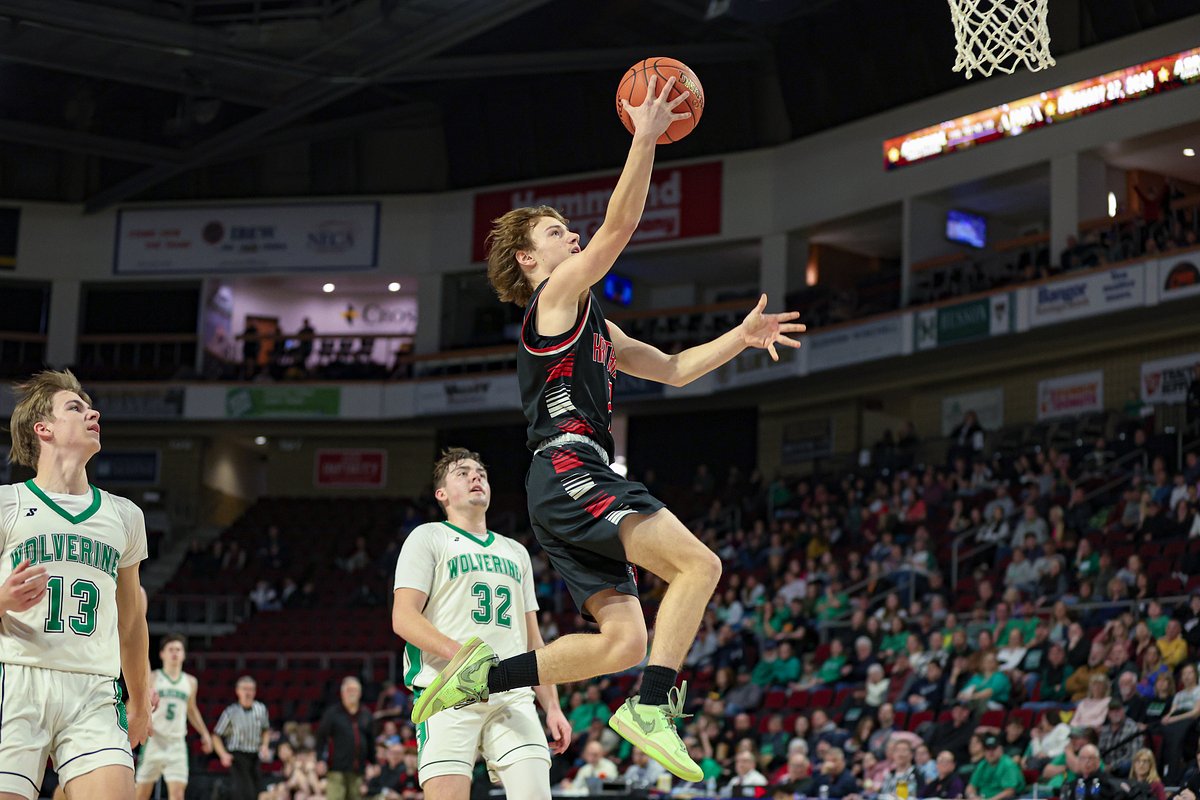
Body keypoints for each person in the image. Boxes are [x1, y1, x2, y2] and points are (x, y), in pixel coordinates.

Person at [411, 75, 803, 784]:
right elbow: (621, 228)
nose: (577, 236)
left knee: (623, 642)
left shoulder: (592, 318)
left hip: (560, 481)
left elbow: (677, 369)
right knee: (701, 566)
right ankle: (653, 709)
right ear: (532, 259)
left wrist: (739, 338)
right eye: (560, 232)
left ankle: (486, 678)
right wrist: (644, 136)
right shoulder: (555, 297)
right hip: (570, 469)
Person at [0, 369, 152, 800]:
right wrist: (2, 598)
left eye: (89, 406)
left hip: (95, 688)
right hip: (15, 680)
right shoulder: (7, 505)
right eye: (76, 407)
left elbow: (131, 621)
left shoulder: (124, 516)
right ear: (43, 428)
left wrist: (139, 700)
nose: (93, 412)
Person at [392, 448, 571, 800]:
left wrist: (551, 705)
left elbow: (532, 640)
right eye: (462, 473)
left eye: (481, 473)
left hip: (511, 695)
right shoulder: (428, 537)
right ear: (441, 494)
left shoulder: (516, 552)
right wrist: (462, 657)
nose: (476, 477)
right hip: (447, 690)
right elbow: (404, 617)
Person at [135, 634, 213, 800]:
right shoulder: (153, 677)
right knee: (141, 795)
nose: (175, 653)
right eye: (171, 649)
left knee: (177, 795)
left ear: (184, 654)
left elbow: (192, 710)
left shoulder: (191, 682)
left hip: (176, 743)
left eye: (178, 649)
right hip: (153, 740)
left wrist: (204, 733)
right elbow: (134, 704)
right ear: (162, 654)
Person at [211, 676, 272, 800]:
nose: (248, 693)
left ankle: (222, 792)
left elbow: (266, 730)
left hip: (254, 756)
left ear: (255, 692)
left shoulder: (261, 709)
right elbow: (216, 735)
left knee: (257, 792)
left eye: (251, 689)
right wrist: (223, 754)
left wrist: (265, 746)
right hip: (237, 756)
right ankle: (222, 793)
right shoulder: (230, 712)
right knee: (245, 793)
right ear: (237, 691)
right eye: (244, 689)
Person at [315, 677, 374, 800]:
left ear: (360, 693)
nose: (352, 693)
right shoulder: (332, 713)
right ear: (342, 693)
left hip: (358, 770)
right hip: (336, 769)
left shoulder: (366, 714)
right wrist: (320, 759)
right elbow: (321, 737)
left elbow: (370, 741)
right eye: (349, 690)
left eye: (355, 690)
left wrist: (373, 763)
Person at [966, 734, 1024, 800]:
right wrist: (972, 796)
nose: (990, 752)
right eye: (988, 749)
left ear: (1000, 749)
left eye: (994, 749)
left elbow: (1010, 791)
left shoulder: (1008, 764)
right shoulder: (983, 764)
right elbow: (971, 786)